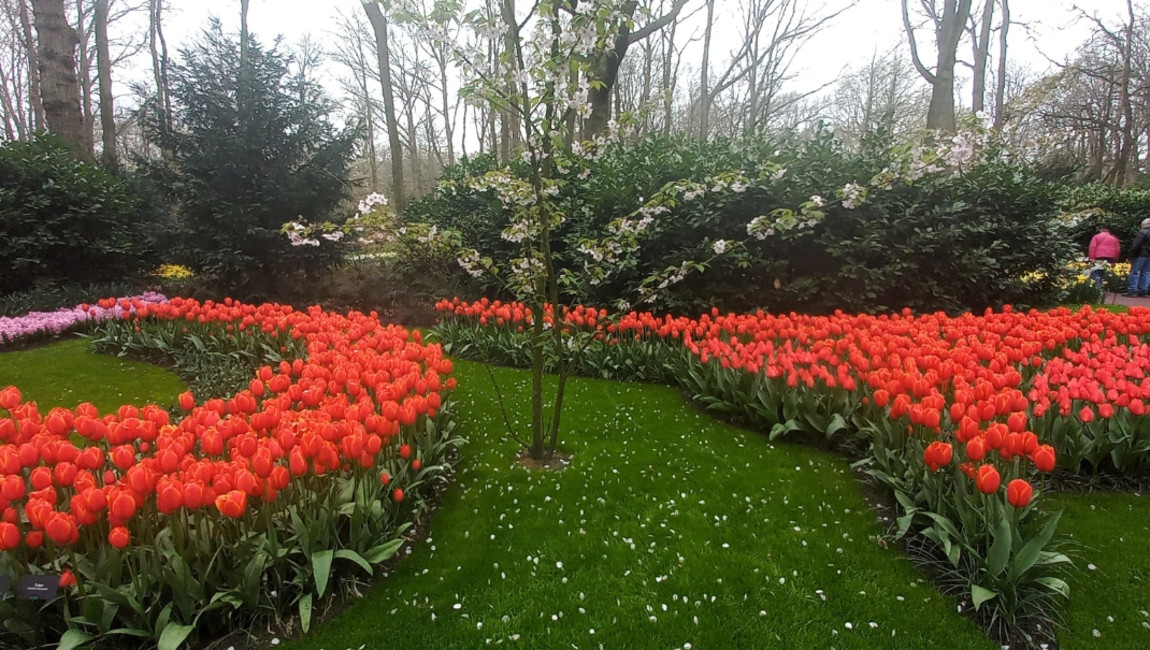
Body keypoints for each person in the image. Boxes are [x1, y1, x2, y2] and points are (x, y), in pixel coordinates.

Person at [1088, 227, 1121, 293]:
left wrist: (1091, 258)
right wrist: (1115, 259)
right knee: (1105, 271)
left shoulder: (1096, 237)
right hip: (1110, 257)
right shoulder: (1114, 238)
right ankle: (1104, 286)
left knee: (1096, 271)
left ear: (1101, 231)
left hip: (1099, 256)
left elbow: (1092, 247)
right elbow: (1118, 249)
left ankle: (1097, 286)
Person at [1124, 218, 1150, 297]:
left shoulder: (1142, 232)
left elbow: (1136, 245)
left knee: (1134, 272)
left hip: (1140, 254)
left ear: (1144, 225)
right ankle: (1143, 291)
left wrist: (1130, 256)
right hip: (1149, 255)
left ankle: (1132, 290)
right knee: (1146, 273)